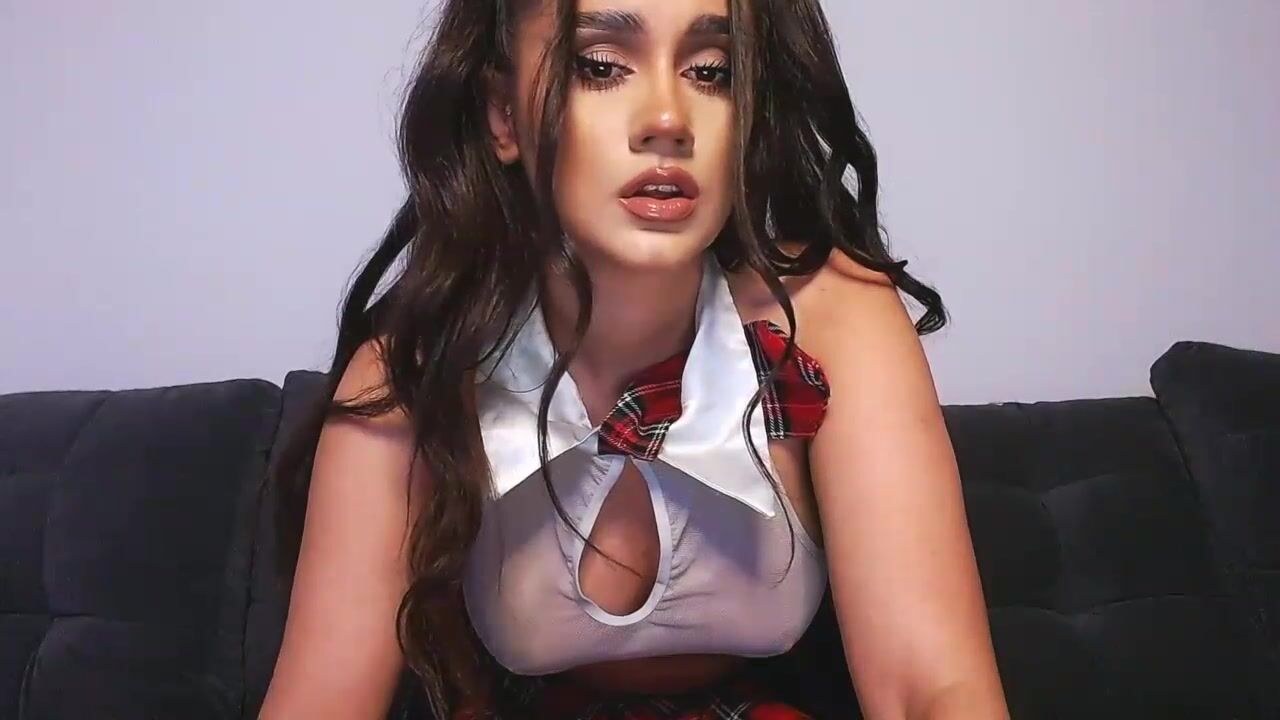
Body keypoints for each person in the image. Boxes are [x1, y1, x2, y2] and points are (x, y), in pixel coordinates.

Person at [260, 0, 1009, 718]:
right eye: (601, 66)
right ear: (502, 115)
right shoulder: (412, 373)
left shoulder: (832, 313)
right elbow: (321, 703)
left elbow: (931, 688)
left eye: (712, 72)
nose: (667, 120)